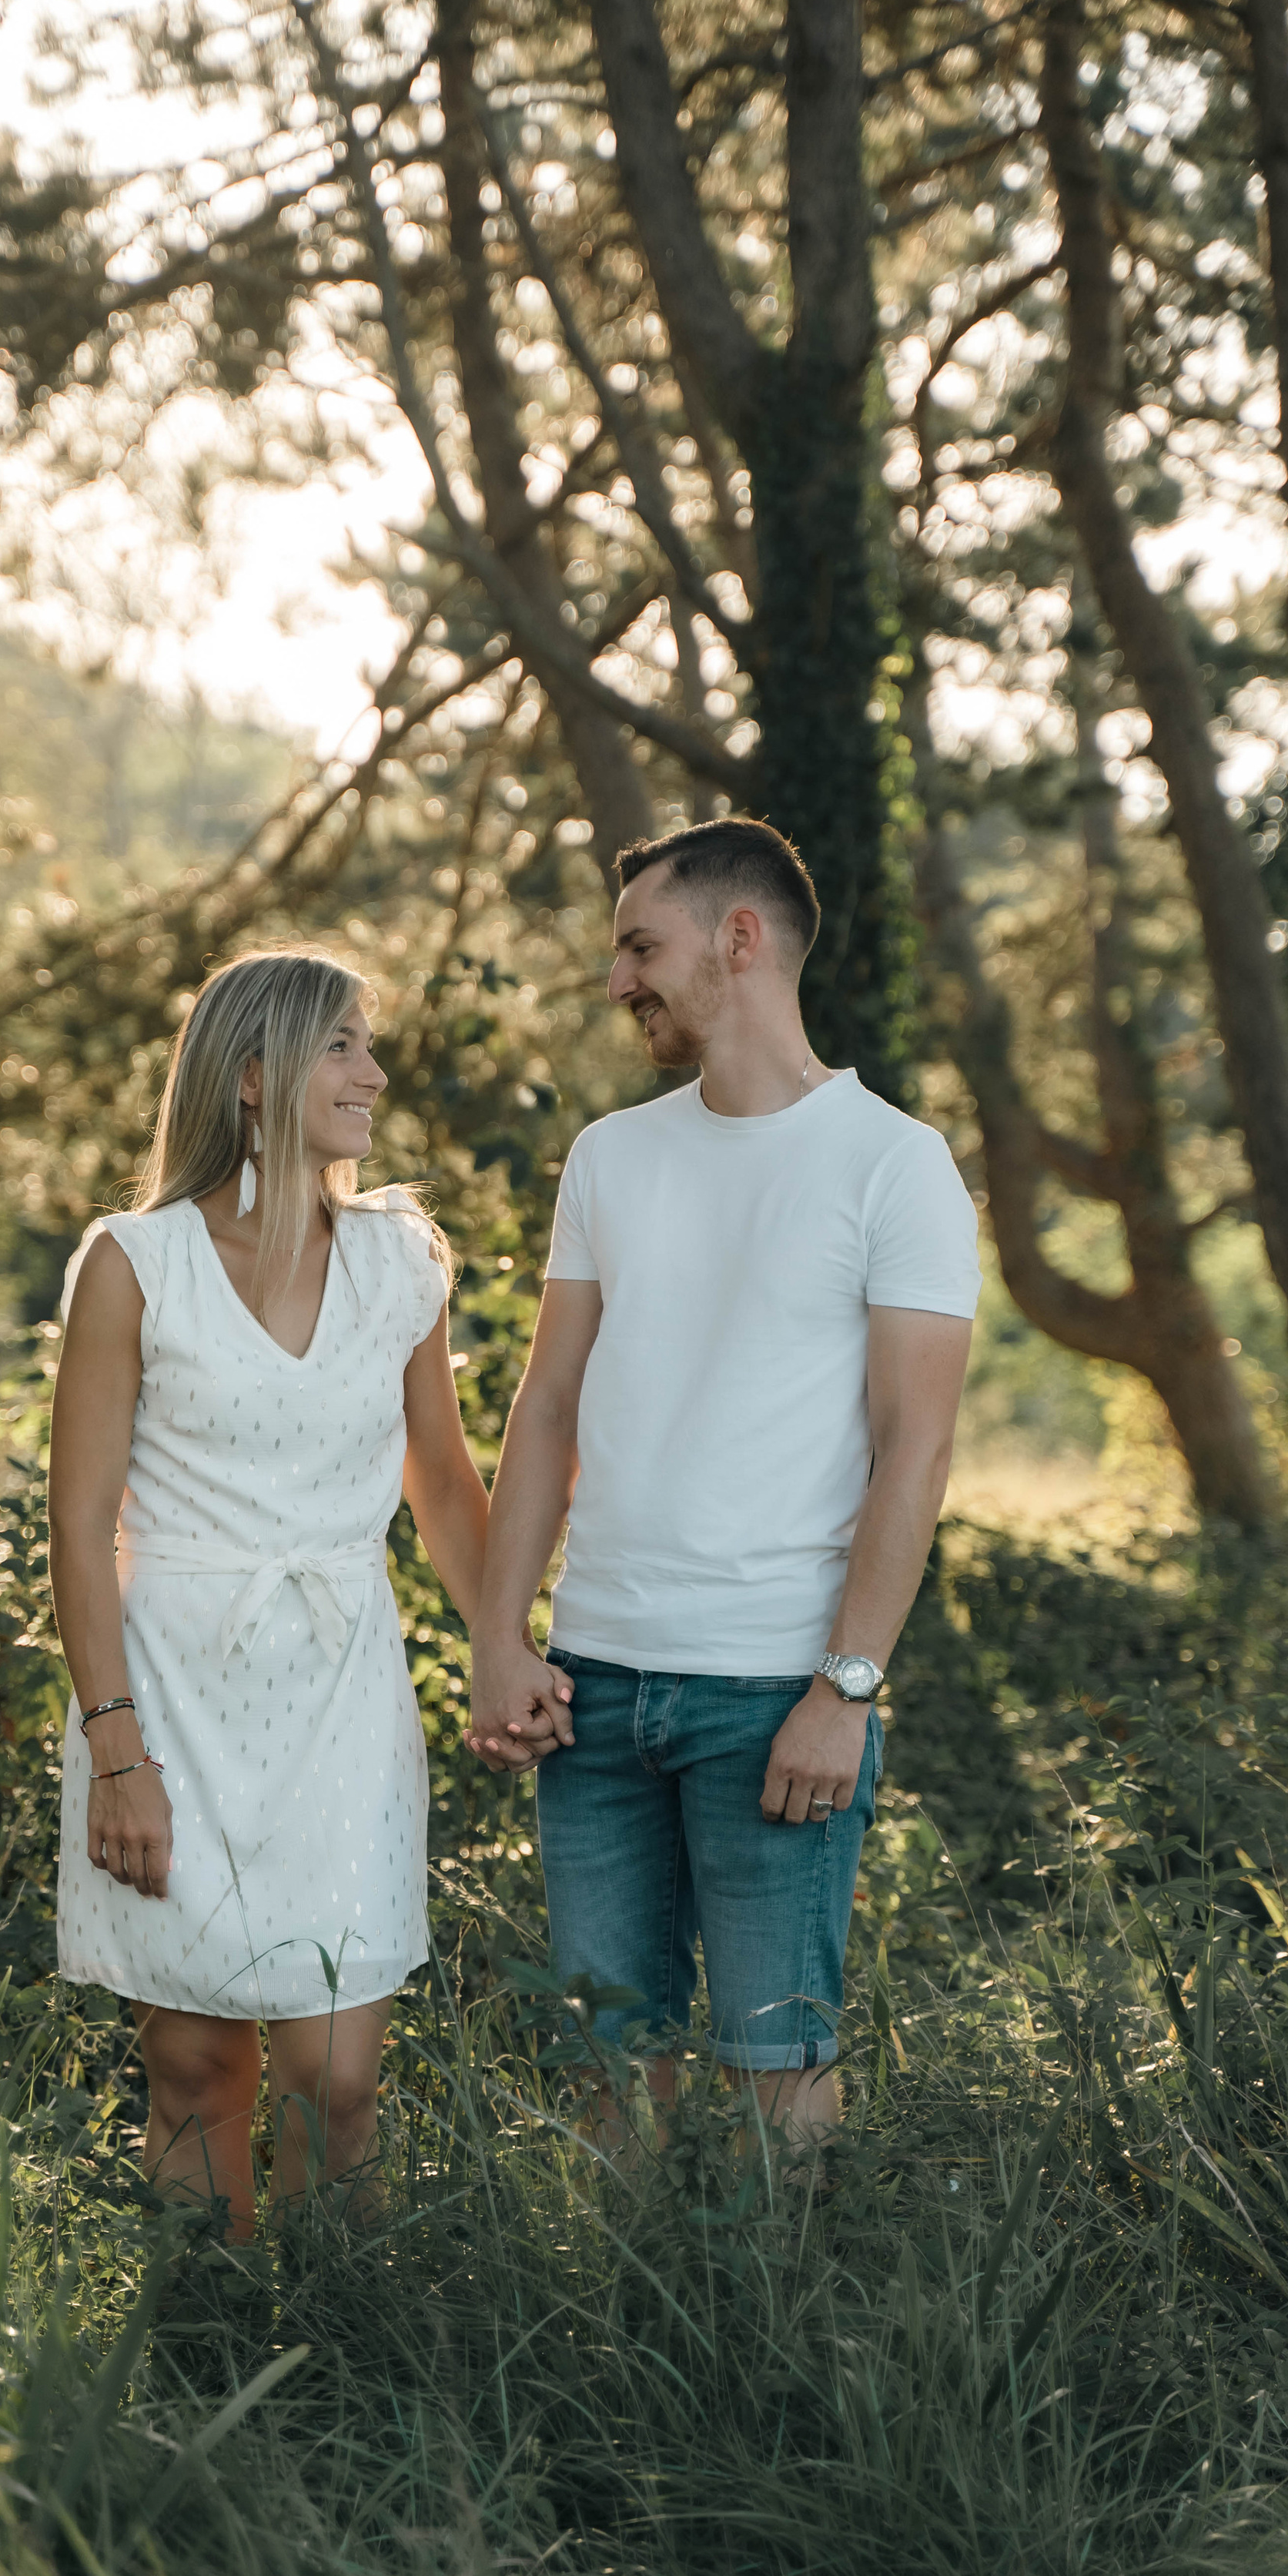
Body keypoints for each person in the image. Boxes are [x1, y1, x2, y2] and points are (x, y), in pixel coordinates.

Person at [468, 818, 979, 2144]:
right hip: (593, 1692)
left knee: (779, 2073)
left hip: (774, 1696)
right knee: (606, 2067)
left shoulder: (895, 1164)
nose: (619, 980)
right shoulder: (610, 1156)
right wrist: (500, 1637)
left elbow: (915, 1450)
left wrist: (845, 1689)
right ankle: (630, 2290)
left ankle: (771, 2294)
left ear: (737, 938)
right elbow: (548, 1409)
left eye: (641, 947)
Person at [48, 948, 488, 2234]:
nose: (375, 1073)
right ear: (253, 1076)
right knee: (195, 2069)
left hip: (342, 1689)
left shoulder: (401, 1262)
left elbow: (442, 1481)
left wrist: (505, 1647)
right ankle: (211, 2329)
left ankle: (339, 2330)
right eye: (342, 1046)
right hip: (168, 1696)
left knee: (336, 2080)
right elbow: (78, 1523)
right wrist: (116, 1751)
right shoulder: (136, 1263)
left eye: (368, 1045)